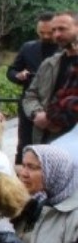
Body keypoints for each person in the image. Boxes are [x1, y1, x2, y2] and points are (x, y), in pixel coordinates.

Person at [16, 145, 78, 243]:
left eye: (32, 167)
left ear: (55, 172)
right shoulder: (36, 202)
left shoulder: (74, 215)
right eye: (23, 165)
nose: (23, 173)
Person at [8, 13, 58, 163]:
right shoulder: (28, 48)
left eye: (49, 32)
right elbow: (11, 71)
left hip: (56, 105)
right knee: (24, 144)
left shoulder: (67, 51)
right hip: (29, 105)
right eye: (42, 33)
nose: (46, 36)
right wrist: (19, 75)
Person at [23, 12, 78, 146]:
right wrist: (38, 114)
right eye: (54, 30)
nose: (56, 35)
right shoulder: (49, 63)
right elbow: (31, 94)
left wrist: (57, 119)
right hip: (45, 139)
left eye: (62, 29)